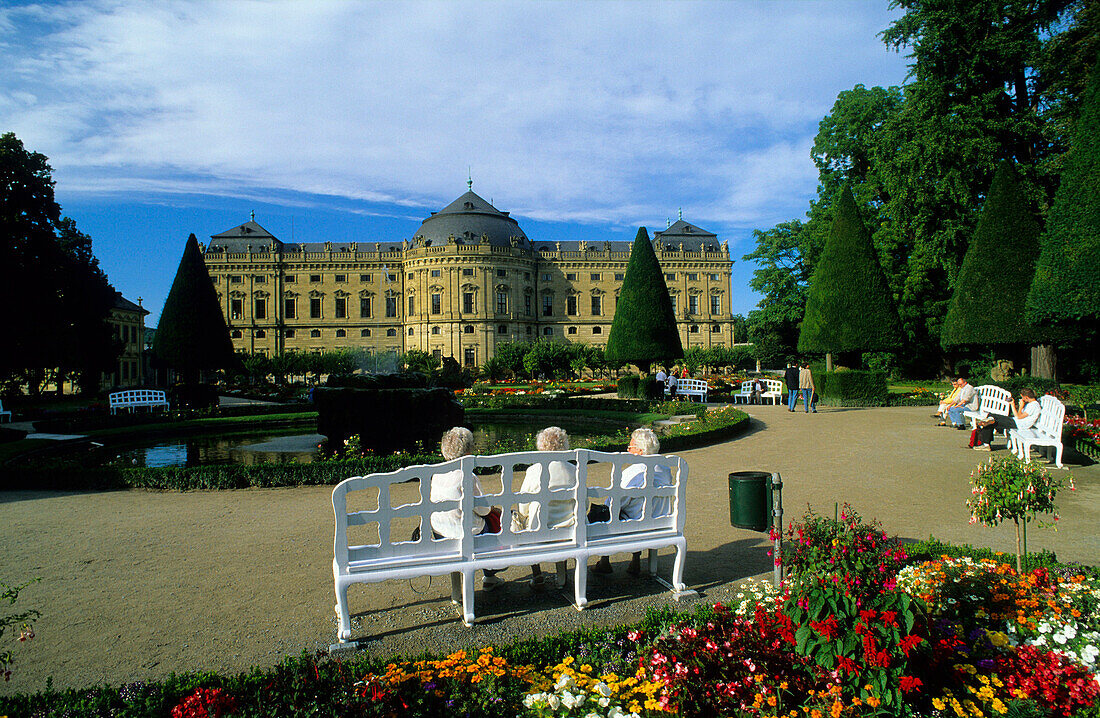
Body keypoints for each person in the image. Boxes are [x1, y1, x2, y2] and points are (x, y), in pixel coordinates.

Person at [590, 428, 674, 576]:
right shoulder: (665, 469)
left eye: (630, 447)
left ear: (640, 451)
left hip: (634, 525)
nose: (627, 450)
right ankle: (635, 560)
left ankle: (604, 560)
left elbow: (614, 503)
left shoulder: (634, 471)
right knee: (634, 511)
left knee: (604, 513)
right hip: (661, 522)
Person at [428, 427, 502, 590]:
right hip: (466, 536)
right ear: (468, 452)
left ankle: (459, 590)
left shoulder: (437, 474)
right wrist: (494, 510)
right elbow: (483, 510)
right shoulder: (467, 476)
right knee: (494, 522)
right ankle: (491, 573)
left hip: (441, 533)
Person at [511, 426, 575, 589]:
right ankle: (561, 577)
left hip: (539, 532)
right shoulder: (574, 470)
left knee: (522, 519)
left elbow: (523, 506)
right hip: (570, 530)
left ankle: (537, 574)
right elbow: (585, 504)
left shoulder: (534, 470)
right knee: (561, 523)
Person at [973, 388, 1042, 451]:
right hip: (1016, 421)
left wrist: (1021, 406)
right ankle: (990, 420)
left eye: (1022, 397)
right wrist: (1012, 404)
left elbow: (1019, 416)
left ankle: (986, 444)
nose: (1022, 399)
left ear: (1026, 397)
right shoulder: (1031, 404)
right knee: (991, 415)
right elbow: (1017, 416)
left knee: (992, 422)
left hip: (1019, 424)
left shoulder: (1034, 405)